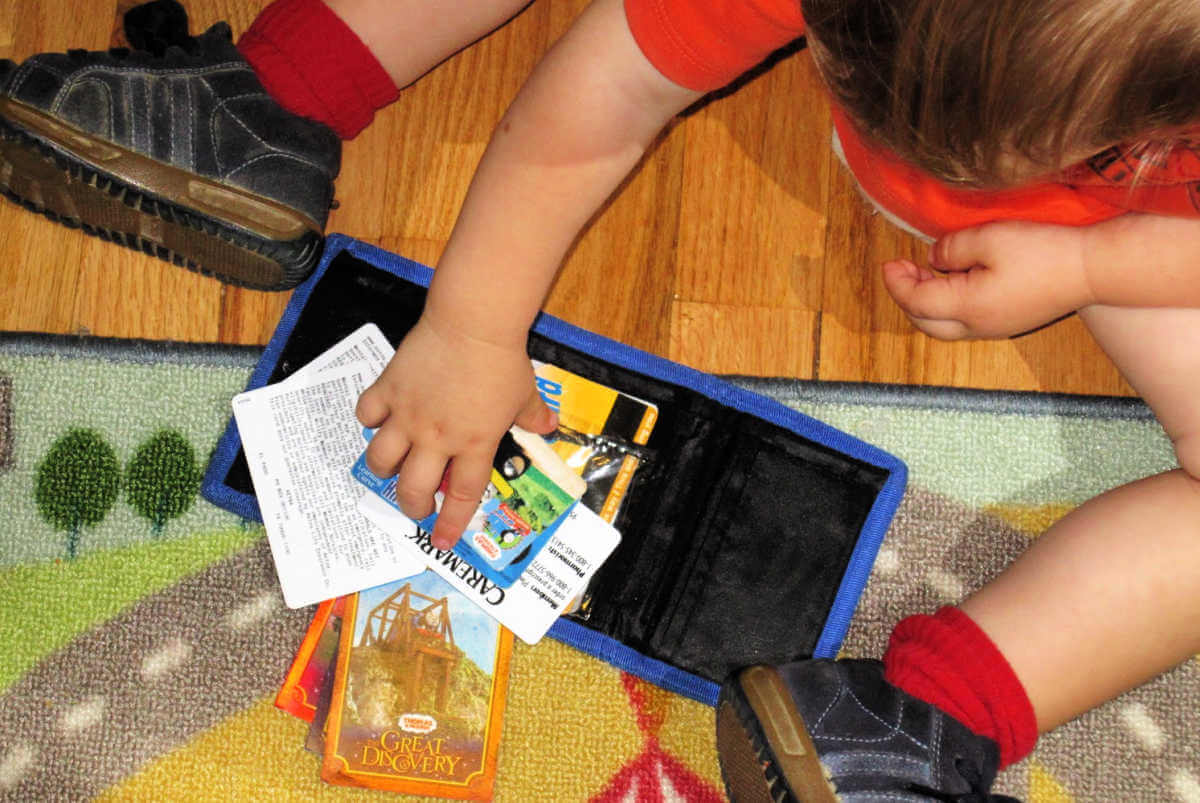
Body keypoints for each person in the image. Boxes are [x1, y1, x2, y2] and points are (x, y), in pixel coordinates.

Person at [1, 0, 1198, 799]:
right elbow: (598, 97)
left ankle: (925, 723)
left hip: (1136, 233)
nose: (930, 177)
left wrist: (1095, 257)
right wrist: (469, 321)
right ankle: (262, 99)